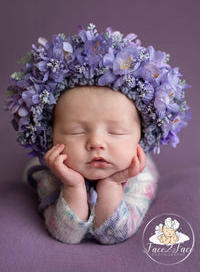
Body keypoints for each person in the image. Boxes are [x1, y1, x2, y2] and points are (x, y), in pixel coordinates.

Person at [6, 23, 190, 244]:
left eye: (116, 132)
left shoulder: (140, 177)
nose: (96, 143)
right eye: (76, 131)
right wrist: (72, 186)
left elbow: (114, 234)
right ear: (50, 135)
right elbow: (66, 235)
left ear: (141, 137)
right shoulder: (50, 175)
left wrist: (112, 184)